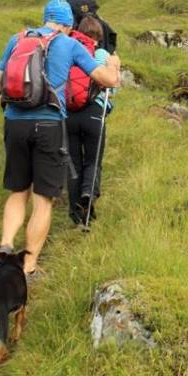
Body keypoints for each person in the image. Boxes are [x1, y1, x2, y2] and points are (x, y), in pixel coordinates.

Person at [0, 0, 121, 276]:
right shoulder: (69, 44)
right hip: (49, 125)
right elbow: (107, 80)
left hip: (14, 122)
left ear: (45, 19)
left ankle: (6, 245)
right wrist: (114, 64)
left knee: (18, 191)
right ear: (67, 25)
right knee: (43, 199)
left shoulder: (17, 39)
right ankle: (28, 267)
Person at [66, 16, 113, 225]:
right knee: (93, 160)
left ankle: (76, 213)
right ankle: (88, 194)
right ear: (97, 37)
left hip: (69, 113)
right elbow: (113, 84)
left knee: (73, 163)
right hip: (94, 112)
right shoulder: (102, 54)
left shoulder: (67, 50)